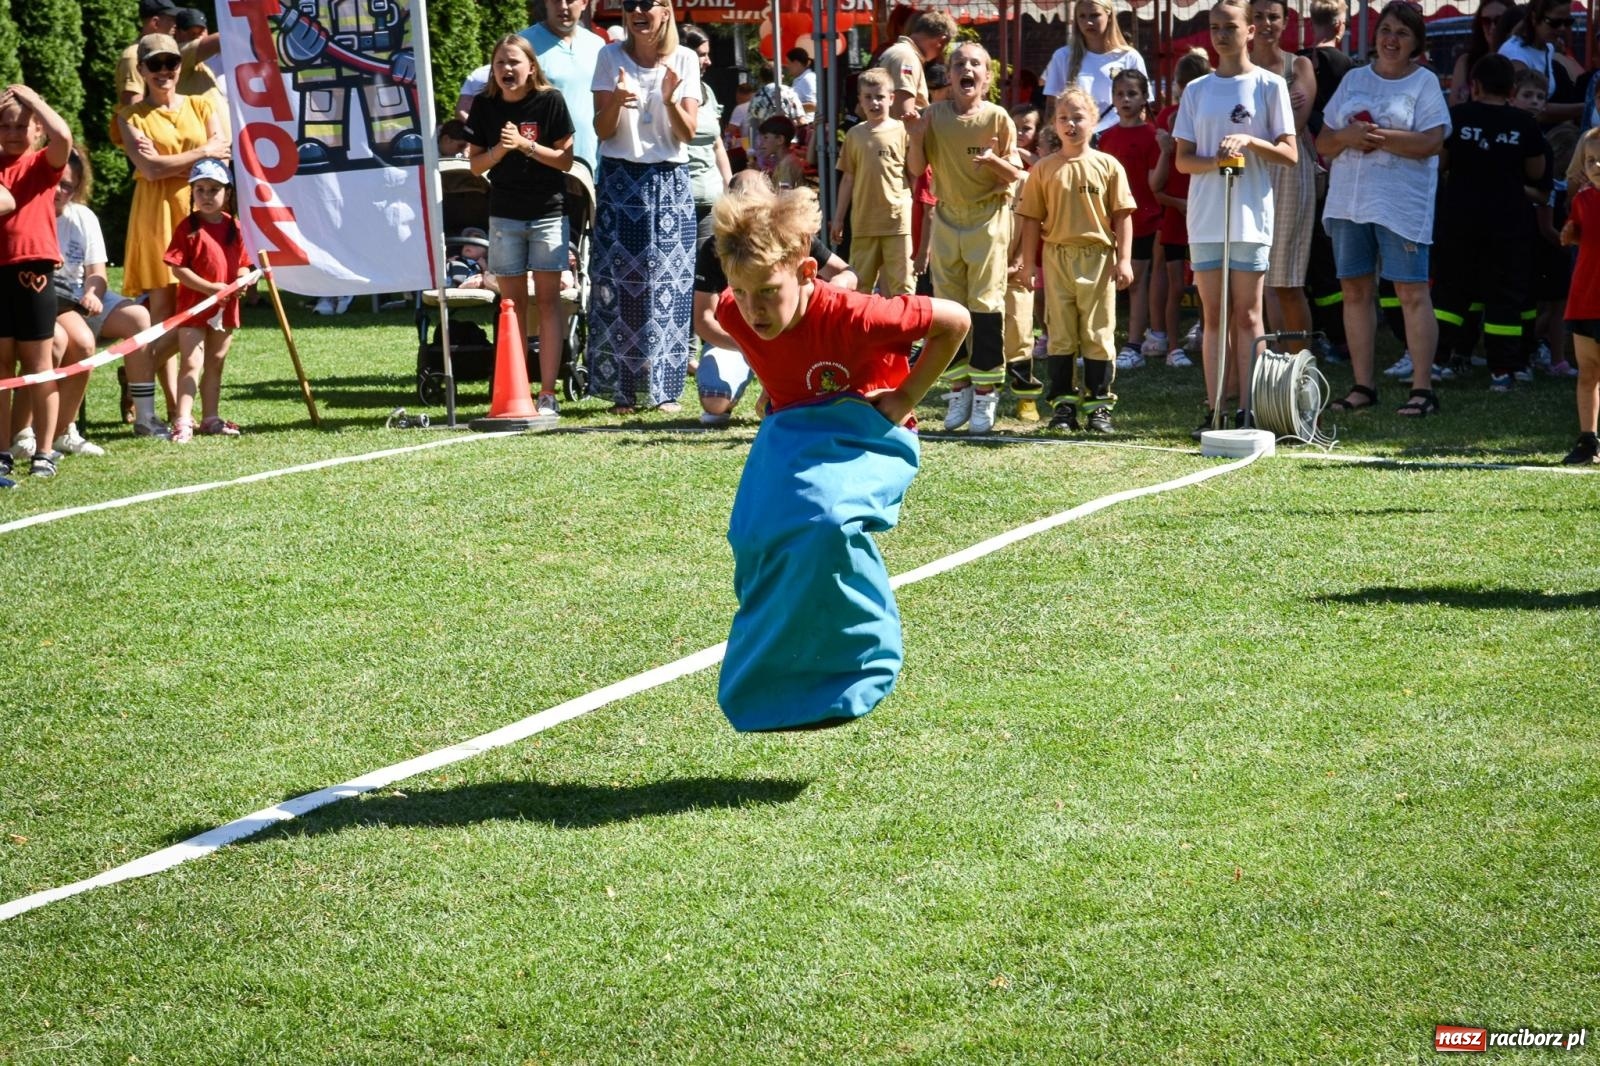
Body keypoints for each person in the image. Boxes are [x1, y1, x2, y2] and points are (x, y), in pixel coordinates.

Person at [709, 181, 970, 732]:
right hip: (794, 429)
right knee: (753, 536)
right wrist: (774, 390)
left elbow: (955, 321)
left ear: (806, 273)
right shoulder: (735, 312)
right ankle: (779, 685)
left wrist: (903, 399)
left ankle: (863, 661)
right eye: (741, 291)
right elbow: (773, 345)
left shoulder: (855, 314)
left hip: (868, 429)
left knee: (827, 524)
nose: (753, 309)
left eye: (767, 292)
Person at [1317, 1, 1450, 418]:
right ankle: (1363, 386)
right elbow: (1323, 142)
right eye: (1386, 30)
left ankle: (1422, 389)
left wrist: (1375, 137)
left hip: (1401, 206)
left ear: (1416, 44)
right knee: (1355, 293)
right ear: (1374, 36)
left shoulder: (1424, 83)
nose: (1391, 39)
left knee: (1411, 293)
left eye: (1403, 33)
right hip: (1348, 203)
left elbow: (1432, 142)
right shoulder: (1355, 78)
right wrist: (1347, 136)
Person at [1174, 0, 1297, 434]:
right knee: (1213, 317)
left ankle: (1251, 409)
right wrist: (1218, 161)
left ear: (1250, 31)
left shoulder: (1269, 85)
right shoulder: (1197, 90)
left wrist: (1249, 141)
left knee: (1247, 316)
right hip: (1206, 217)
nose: (1221, 35)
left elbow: (1289, 153)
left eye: (1230, 26)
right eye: (1214, 27)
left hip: (1250, 218)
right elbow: (1184, 161)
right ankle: (1215, 410)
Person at [116, 32, 228, 438]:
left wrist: (172, 162)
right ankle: (154, 407)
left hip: (201, 214)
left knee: (200, 311)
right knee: (165, 314)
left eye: (171, 63)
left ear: (181, 67)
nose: (165, 71)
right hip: (158, 215)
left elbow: (225, 149)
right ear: (142, 70)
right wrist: (203, 154)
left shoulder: (202, 104)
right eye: (155, 65)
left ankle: (144, 379)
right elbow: (151, 171)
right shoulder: (130, 117)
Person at [590, 0, 700, 414]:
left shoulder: (685, 58)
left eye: (648, 3)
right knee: (624, 288)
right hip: (621, 179)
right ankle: (626, 390)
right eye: (631, 3)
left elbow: (687, 134)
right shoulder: (609, 55)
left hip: (670, 180)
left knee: (669, 287)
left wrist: (670, 100)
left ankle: (666, 389)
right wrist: (616, 99)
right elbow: (603, 130)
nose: (638, 10)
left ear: (666, 10)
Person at [909, 42, 1022, 434]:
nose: (967, 69)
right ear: (950, 75)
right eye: (959, 64)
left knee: (986, 306)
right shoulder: (934, 116)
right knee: (949, 308)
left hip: (987, 218)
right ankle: (959, 389)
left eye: (976, 64)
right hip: (947, 216)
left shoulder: (997, 118)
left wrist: (994, 162)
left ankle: (987, 394)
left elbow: (1016, 175)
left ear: (987, 78)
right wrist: (916, 133)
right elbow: (916, 168)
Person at [1013, 87, 1135, 434]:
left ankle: (1098, 406)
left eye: (1078, 117)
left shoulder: (1108, 166)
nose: (1071, 124)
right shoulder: (1044, 169)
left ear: (1094, 121)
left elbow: (1123, 214)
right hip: (1057, 257)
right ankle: (1063, 406)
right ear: (1054, 123)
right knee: (1061, 334)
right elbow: (1031, 219)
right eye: (1063, 118)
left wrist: (1123, 260)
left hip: (1097, 258)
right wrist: (1026, 263)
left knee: (1098, 332)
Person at [467, 35, 575, 420]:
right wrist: (502, 149)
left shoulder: (550, 102)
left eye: (514, 62)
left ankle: (547, 393)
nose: (507, 70)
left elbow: (565, 161)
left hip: (548, 212)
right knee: (510, 307)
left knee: (548, 303)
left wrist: (526, 146)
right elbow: (476, 165)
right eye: (500, 64)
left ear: (531, 66)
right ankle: (514, 389)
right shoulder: (484, 106)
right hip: (504, 217)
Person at [695, 170, 857, 426]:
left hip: (792, 336)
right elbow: (704, 319)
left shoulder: (790, 236)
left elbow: (847, 274)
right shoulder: (716, 247)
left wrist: (832, 292)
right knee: (715, 403)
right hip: (738, 338)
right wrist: (752, 347)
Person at [1431, 56, 1547, 391]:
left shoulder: (1457, 117)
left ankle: (1437, 361)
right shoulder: (1524, 123)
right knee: (1504, 296)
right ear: (1512, 89)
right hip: (1508, 224)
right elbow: (1537, 171)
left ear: (1475, 87)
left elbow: (1441, 162)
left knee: (1450, 293)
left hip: (1460, 221)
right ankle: (1503, 371)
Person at [52, 149, 152, 458]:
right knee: (66, 340)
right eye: (56, 182)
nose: (60, 191)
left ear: (80, 185)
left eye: (69, 185)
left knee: (138, 317)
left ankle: (146, 417)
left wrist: (93, 293)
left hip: (82, 297)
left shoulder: (83, 217)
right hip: (48, 300)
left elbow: (97, 273)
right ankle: (53, 429)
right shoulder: (30, 213)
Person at [0, 85, 73, 482]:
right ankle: (2, 451)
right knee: (1, 368)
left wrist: (33, 100)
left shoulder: (43, 163)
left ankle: (44, 451)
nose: (13, 133)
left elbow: (64, 137)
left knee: (40, 366)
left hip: (33, 272)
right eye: (5, 125)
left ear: (36, 130)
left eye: (22, 125)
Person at [161, 158, 250, 442]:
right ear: (192, 193)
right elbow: (177, 267)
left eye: (214, 189)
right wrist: (210, 288)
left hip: (225, 311)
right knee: (191, 362)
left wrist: (241, 280)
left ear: (228, 193)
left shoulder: (235, 227)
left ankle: (210, 417)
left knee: (216, 363)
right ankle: (183, 419)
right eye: (200, 189)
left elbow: (245, 264)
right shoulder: (187, 227)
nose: (207, 196)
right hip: (193, 308)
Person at [1249, 0, 1317, 352]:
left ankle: (1299, 366)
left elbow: (1295, 125)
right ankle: (1267, 365)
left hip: (1289, 172)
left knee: (1286, 281)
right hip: (1246, 172)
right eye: (1258, 16)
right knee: (1252, 280)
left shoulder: (1300, 64)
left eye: (1273, 16)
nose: (1265, 23)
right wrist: (1276, 108)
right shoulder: (1233, 68)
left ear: (1286, 20)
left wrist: (1250, 117)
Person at [1150, 48, 1211, 370]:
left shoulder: (1211, 113)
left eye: (1195, 84)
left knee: (1204, 285)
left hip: (1204, 213)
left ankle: (1204, 334)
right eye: (1183, 85)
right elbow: (1156, 185)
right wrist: (1178, 204)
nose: (1189, 91)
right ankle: (1172, 345)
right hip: (1175, 216)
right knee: (1176, 285)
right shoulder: (1167, 117)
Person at [1097, 69, 1161, 370]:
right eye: (1120, 94)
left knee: (1136, 283)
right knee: (1103, 284)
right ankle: (1101, 341)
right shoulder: (1105, 137)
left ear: (1144, 97)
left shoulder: (1151, 136)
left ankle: (1134, 344)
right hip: (1107, 222)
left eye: (1132, 93)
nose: (1125, 99)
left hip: (1142, 221)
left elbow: (1153, 184)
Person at [829, 70, 912, 297]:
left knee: (902, 285)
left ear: (891, 98)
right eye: (868, 97)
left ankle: (907, 333)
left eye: (880, 96)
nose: (874, 102)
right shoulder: (854, 135)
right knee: (860, 285)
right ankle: (864, 332)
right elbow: (848, 178)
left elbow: (914, 175)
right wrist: (838, 218)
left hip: (897, 221)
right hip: (864, 221)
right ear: (860, 101)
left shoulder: (904, 131)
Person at [520, 0, 606, 175]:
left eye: (570, 1)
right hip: (541, 164)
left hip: (591, 162)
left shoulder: (597, 45)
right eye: (556, 1)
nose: (563, 7)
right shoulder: (523, 44)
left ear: (584, 3)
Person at [1040, 0, 1148, 132]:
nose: (1088, 22)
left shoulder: (1129, 56)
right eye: (1082, 16)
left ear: (1109, 16)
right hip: (1075, 136)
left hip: (1118, 135)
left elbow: (1143, 107)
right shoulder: (1063, 56)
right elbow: (1052, 106)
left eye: (1094, 15)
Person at [1558, 127, 1600, 463]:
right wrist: (1570, 233)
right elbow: (1578, 231)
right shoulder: (1582, 200)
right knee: (1587, 373)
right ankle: (1588, 440)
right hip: (1584, 297)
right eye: (1590, 160)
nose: (1596, 166)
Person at [681, 26, 732, 243]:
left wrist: (729, 186)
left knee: (707, 272)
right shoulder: (667, 93)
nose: (708, 61)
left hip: (712, 201)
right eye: (702, 55)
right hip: (679, 200)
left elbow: (717, 144)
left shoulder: (707, 91)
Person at [1497, 0, 1585, 125]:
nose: (1562, 28)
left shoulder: (1547, 47)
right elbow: (1531, 110)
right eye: (1554, 23)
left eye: (1567, 22)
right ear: (1534, 18)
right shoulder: (1515, 54)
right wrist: (1586, 107)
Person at [876, 11, 958, 119]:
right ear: (941, 42)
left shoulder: (898, 52)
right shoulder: (907, 58)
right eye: (945, 46)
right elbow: (904, 114)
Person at [115, 0, 180, 107]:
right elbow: (134, 109)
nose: (175, 25)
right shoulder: (133, 56)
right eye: (171, 19)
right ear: (155, 22)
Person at [1451, 0, 1510, 106]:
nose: (1493, 27)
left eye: (1499, 20)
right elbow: (1456, 106)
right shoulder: (1466, 62)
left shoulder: (1520, 57)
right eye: (1486, 21)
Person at [755, 115, 805, 190]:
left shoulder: (787, 165)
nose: (761, 143)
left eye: (766, 137)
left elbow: (783, 197)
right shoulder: (784, 161)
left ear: (780, 140)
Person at [785, 47, 817, 122]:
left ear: (797, 63)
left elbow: (814, 106)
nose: (787, 66)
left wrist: (790, 107)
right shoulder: (799, 79)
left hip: (807, 126)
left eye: (788, 63)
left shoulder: (808, 79)